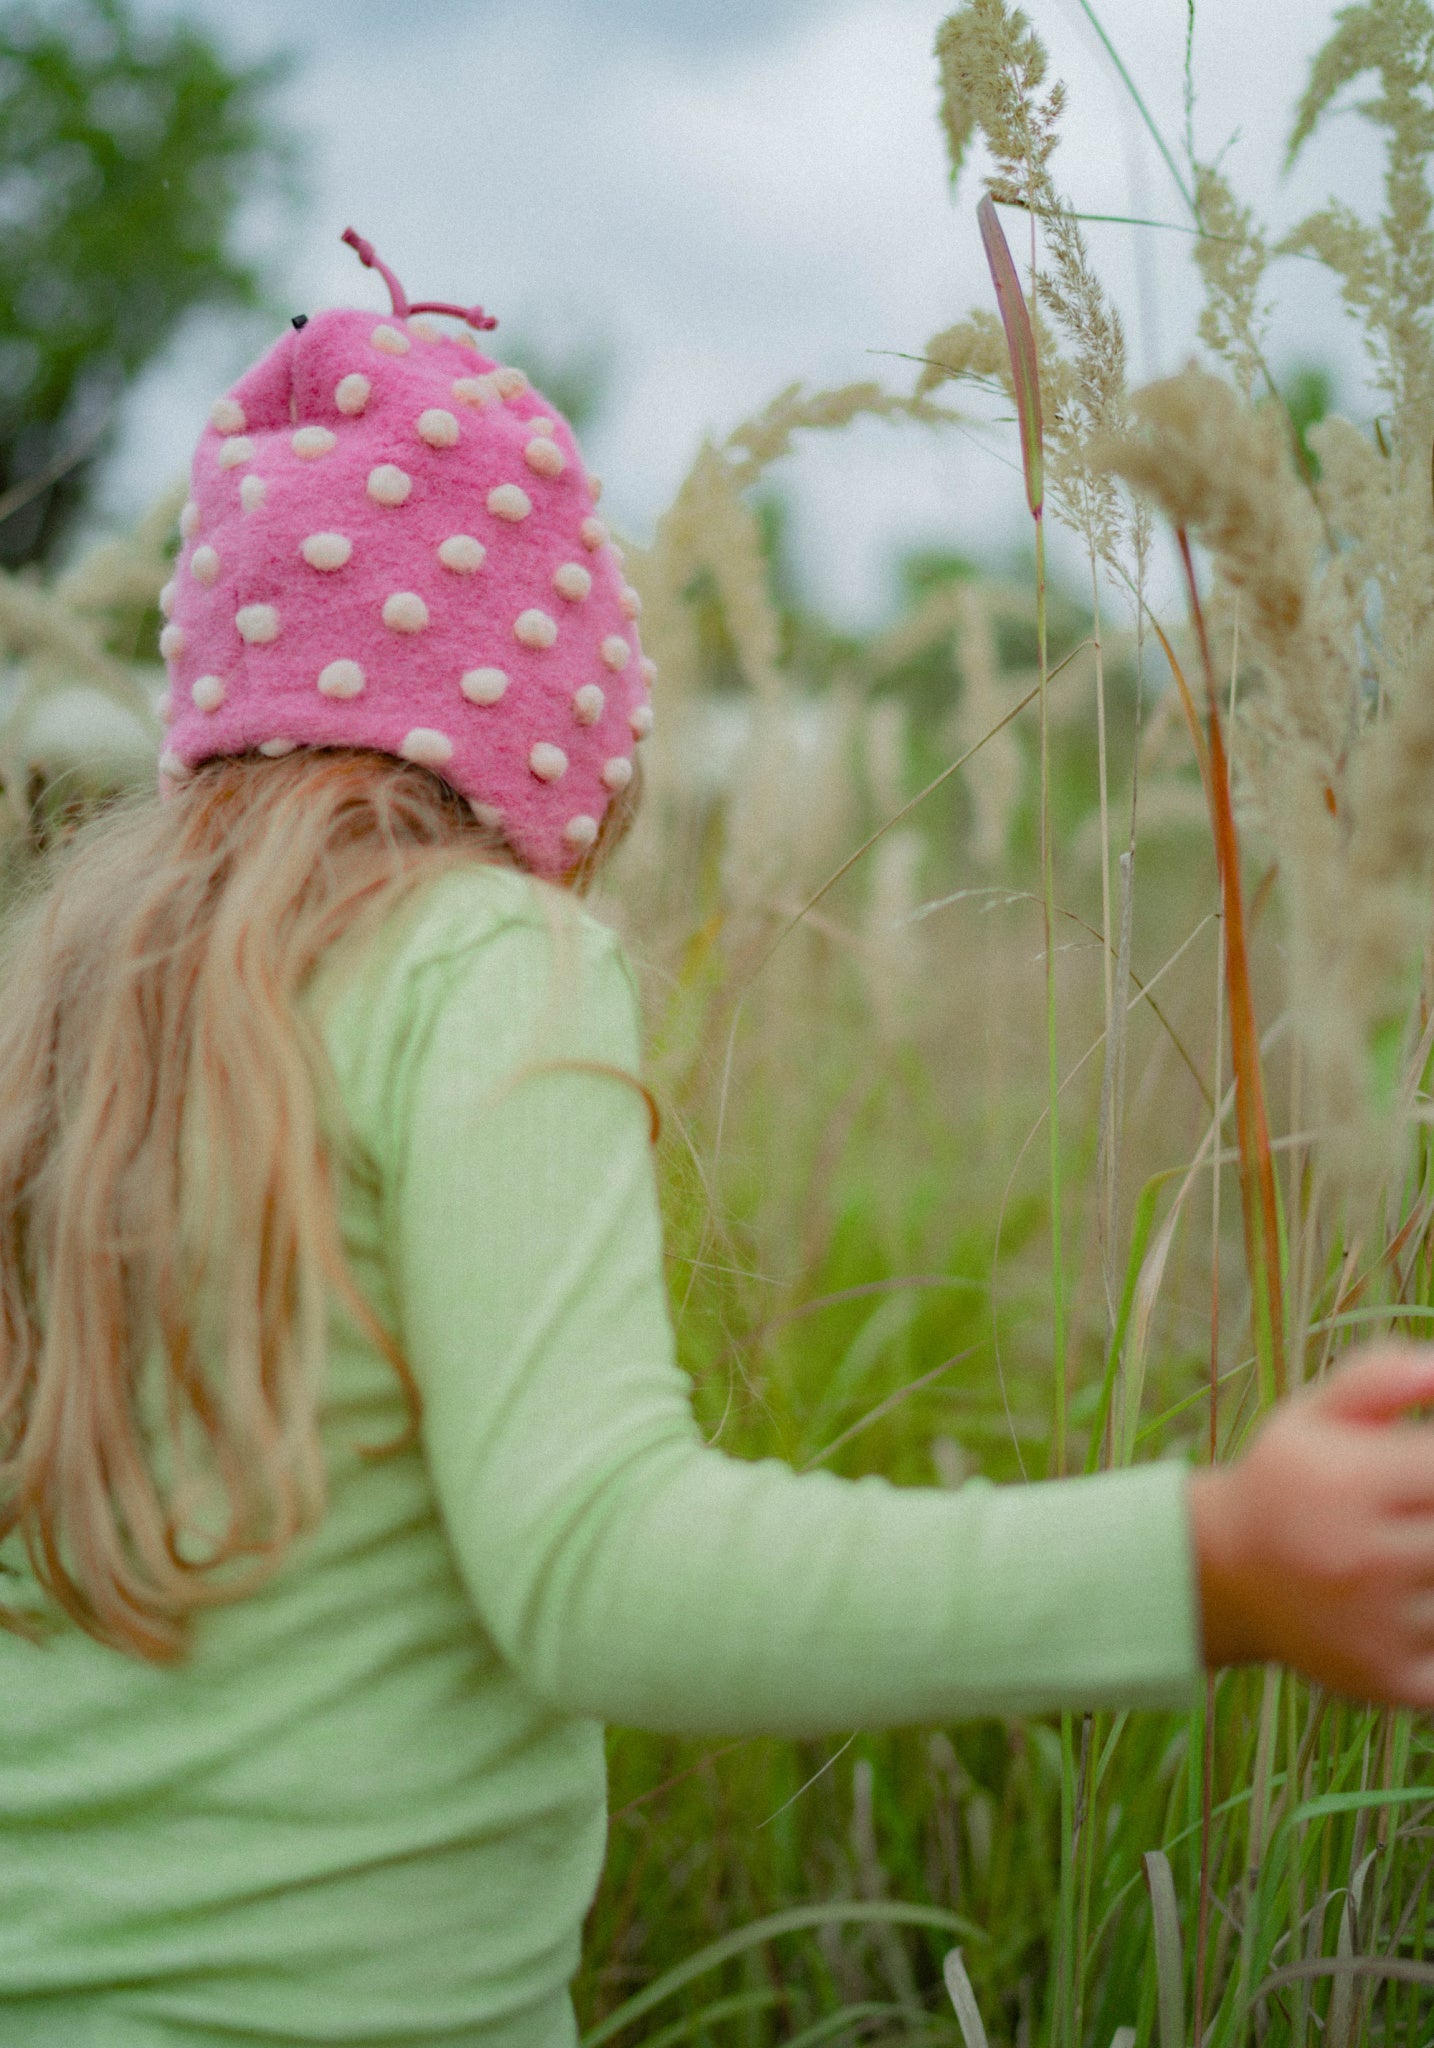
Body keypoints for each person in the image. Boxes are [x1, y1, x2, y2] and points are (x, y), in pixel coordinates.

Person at [3, 233, 1434, 2048]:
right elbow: (602, 1572)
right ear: (564, 737)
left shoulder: (57, 1017)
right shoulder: (470, 957)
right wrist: (1206, 1553)